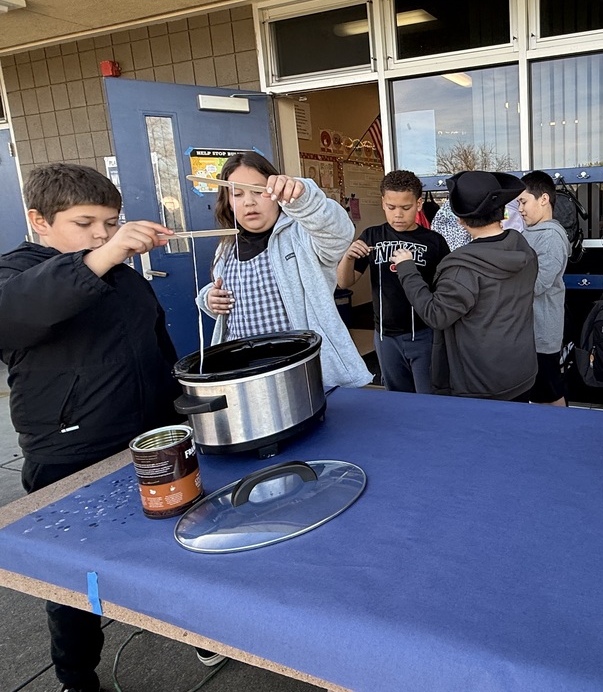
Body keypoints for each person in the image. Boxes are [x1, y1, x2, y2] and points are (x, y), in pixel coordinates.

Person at [0, 163, 182, 692]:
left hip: (151, 437)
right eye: (85, 223)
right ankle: (76, 676)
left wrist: (181, 405)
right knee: (74, 575)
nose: (102, 234)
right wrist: (102, 256)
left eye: (110, 222)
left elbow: (154, 348)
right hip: (68, 450)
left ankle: (195, 625)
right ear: (39, 220)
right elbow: (18, 313)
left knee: (175, 540)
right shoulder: (16, 273)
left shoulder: (122, 277)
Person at [198, 151, 371, 389]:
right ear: (227, 201)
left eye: (259, 191)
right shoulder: (226, 247)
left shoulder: (301, 235)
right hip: (243, 375)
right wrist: (209, 299)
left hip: (302, 370)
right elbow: (225, 297)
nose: (249, 202)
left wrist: (304, 197)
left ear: (276, 192)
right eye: (237, 194)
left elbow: (339, 233)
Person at [391, 170, 538, 401]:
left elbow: (436, 315)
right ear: (501, 212)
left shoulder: (462, 268)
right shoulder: (522, 249)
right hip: (522, 373)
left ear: (460, 220)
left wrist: (407, 268)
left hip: (478, 385)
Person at [337, 170, 449, 393]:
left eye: (405, 208)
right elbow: (344, 283)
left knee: (430, 397)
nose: (398, 214)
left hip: (424, 334)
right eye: (391, 207)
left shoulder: (434, 241)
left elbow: (445, 290)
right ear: (383, 203)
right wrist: (348, 257)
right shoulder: (372, 236)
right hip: (385, 336)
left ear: (418, 204)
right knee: (396, 397)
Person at [517, 170, 570, 406]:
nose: (520, 209)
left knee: (549, 393)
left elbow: (537, 285)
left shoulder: (551, 237)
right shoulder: (528, 233)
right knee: (537, 394)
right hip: (527, 333)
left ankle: (561, 436)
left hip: (543, 334)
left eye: (523, 201)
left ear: (544, 199)